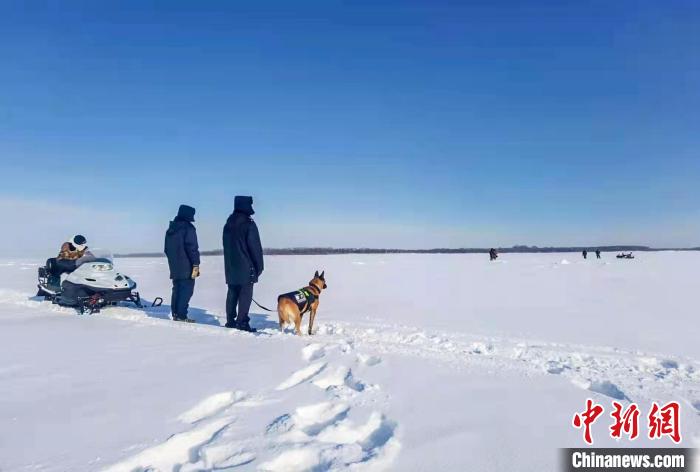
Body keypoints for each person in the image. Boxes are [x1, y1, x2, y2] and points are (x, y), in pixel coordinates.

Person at [223, 196, 264, 332]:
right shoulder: (248, 224)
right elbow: (255, 248)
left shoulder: (228, 223)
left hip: (230, 266)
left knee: (232, 292)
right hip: (246, 267)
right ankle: (242, 323)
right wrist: (259, 267)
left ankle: (230, 321)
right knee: (245, 295)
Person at [164, 204, 200, 323]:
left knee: (177, 289)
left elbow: (167, 249)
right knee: (186, 290)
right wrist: (195, 264)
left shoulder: (171, 229)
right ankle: (181, 315)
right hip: (187, 266)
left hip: (174, 266)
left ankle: (176, 313)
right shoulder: (188, 228)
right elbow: (192, 248)